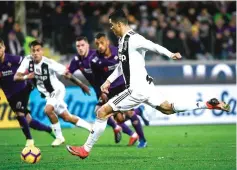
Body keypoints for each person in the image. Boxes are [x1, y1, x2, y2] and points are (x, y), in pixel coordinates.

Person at [66, 9, 230, 159]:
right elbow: (122, 66)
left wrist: (170, 54)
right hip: (146, 86)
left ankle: (85, 149)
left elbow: (154, 46)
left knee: (102, 112)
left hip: (136, 89)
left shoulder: (134, 39)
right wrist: (108, 81)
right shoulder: (122, 41)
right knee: (168, 108)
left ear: (119, 24)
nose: (111, 28)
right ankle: (208, 104)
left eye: (111, 25)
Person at [14, 40, 93, 147]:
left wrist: (82, 85)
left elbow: (67, 74)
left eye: (38, 50)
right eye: (33, 51)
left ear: (42, 51)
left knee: (48, 109)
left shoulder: (49, 63)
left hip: (57, 90)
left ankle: (59, 137)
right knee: (67, 117)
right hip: (48, 95)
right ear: (31, 52)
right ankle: (91, 128)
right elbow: (16, 77)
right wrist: (26, 77)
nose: (36, 53)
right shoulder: (27, 61)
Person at [68, 36, 138, 146]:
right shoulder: (77, 60)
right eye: (78, 46)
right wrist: (81, 85)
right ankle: (130, 132)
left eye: (82, 45)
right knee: (113, 115)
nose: (80, 48)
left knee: (102, 112)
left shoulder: (96, 56)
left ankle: (126, 125)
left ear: (87, 45)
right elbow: (67, 73)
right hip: (99, 90)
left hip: (110, 89)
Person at [91, 32, 148, 147]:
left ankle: (142, 140)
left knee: (129, 112)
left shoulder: (119, 51)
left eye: (101, 43)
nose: (100, 46)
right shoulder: (95, 61)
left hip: (124, 86)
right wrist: (101, 92)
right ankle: (139, 111)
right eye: (97, 44)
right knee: (120, 119)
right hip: (110, 91)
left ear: (107, 41)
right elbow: (96, 81)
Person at [0, 38, 54, 147]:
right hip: (10, 96)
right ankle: (50, 129)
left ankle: (29, 141)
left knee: (19, 114)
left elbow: (29, 62)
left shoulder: (13, 59)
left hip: (23, 88)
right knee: (29, 121)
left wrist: (30, 78)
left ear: (4, 47)